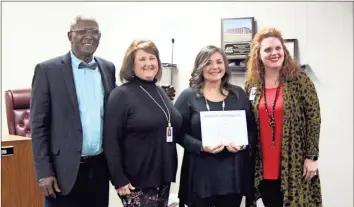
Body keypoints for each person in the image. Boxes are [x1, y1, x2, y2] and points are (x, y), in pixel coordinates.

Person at [30, 15, 176, 207]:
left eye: (94, 32)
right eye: (82, 31)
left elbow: (120, 106)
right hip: (62, 169)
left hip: (99, 167)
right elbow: (38, 126)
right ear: (69, 36)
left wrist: (157, 95)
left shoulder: (107, 68)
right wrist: (44, 171)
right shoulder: (48, 70)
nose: (89, 36)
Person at [244, 28, 322, 206]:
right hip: (263, 164)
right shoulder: (251, 85)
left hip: (295, 163)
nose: (274, 53)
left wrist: (311, 157)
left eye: (278, 48)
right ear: (258, 55)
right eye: (268, 50)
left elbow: (314, 119)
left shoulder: (300, 81)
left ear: (284, 51)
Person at [174, 45, 257, 207]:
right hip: (200, 176)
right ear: (200, 67)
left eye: (219, 62)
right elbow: (177, 133)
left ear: (225, 66)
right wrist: (201, 146)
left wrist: (243, 143)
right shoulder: (188, 96)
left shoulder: (238, 94)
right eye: (208, 63)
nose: (214, 67)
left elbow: (252, 130)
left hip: (233, 175)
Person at [103, 39, 183, 207]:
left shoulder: (160, 91)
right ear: (131, 65)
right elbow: (111, 140)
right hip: (136, 180)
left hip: (163, 175)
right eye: (142, 59)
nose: (148, 63)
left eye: (152, 58)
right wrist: (118, 178)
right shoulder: (121, 95)